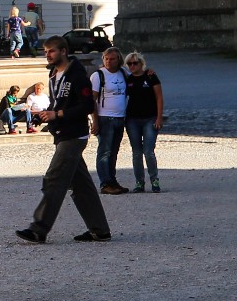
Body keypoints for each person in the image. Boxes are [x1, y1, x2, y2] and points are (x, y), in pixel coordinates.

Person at [16, 35, 112, 244]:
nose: (47, 55)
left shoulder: (77, 75)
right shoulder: (53, 75)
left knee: (55, 178)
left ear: (63, 52)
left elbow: (87, 106)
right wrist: (47, 114)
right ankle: (100, 230)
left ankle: (38, 229)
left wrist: (57, 115)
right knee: (81, 186)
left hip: (74, 135)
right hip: (62, 134)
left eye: (51, 51)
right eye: (45, 51)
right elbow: (61, 103)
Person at [122, 51, 165, 193]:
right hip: (132, 119)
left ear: (141, 63)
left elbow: (159, 97)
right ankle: (139, 182)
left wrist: (159, 117)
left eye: (135, 63)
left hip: (150, 118)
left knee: (148, 151)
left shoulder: (151, 77)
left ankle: (154, 179)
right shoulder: (127, 79)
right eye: (129, 63)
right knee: (136, 152)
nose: (132, 66)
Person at [89, 47, 130, 194]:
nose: (108, 61)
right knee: (104, 151)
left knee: (114, 151)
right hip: (105, 117)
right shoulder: (98, 75)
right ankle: (105, 183)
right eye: (106, 58)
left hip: (120, 117)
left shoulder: (123, 73)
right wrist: (95, 120)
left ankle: (112, 180)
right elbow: (91, 100)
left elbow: (136, 77)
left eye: (112, 59)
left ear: (118, 59)